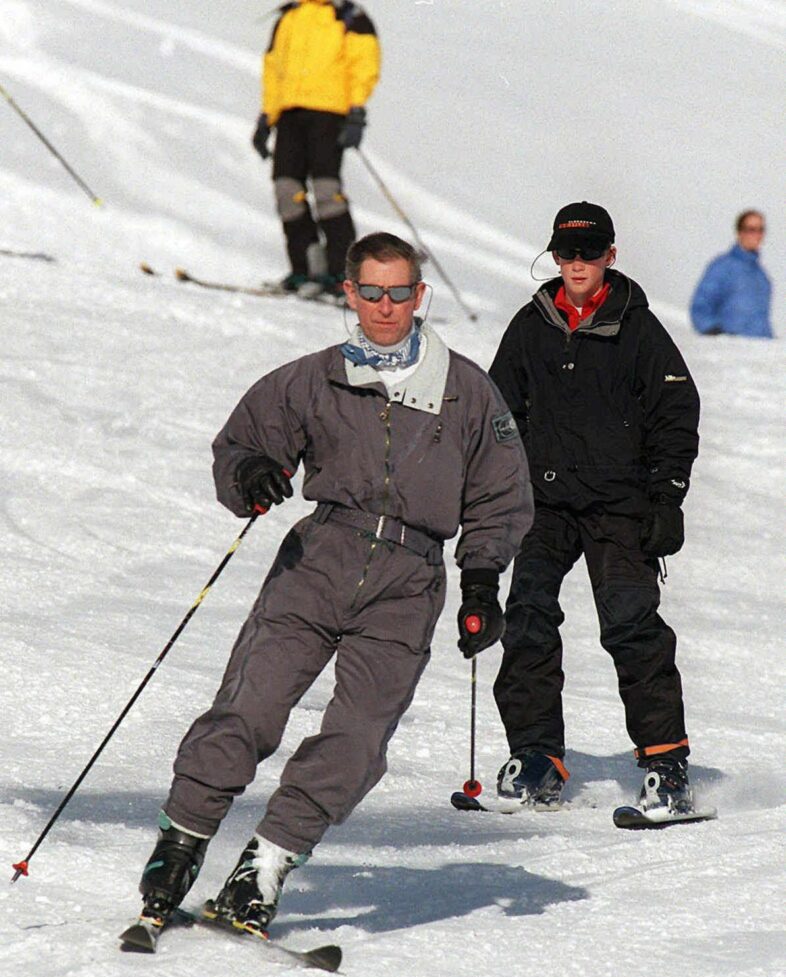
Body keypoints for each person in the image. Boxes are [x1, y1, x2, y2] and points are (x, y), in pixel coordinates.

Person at [134, 232, 533, 936]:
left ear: (420, 295)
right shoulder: (315, 377)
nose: (385, 306)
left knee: (357, 740)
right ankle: (183, 839)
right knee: (251, 708)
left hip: (409, 581)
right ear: (349, 294)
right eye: (371, 292)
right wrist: (252, 475)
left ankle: (267, 865)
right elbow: (244, 442)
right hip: (319, 557)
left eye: (399, 292)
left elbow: (501, 495)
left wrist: (480, 585)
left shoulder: (466, 391)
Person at [488, 201, 701, 816]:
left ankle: (666, 764)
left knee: (632, 627)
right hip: (544, 504)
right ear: (553, 256)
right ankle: (535, 759)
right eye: (566, 253)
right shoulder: (530, 326)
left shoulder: (638, 329)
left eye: (589, 252)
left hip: (619, 506)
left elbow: (675, 416)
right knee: (527, 617)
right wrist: (495, 488)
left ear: (611, 254)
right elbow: (499, 414)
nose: (576, 264)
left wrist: (668, 497)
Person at [252, 1, 381, 299]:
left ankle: (341, 275)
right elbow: (273, 69)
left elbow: (365, 63)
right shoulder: (289, 16)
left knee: (326, 192)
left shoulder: (350, 16)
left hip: (329, 113)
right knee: (287, 192)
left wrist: (357, 110)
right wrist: (266, 118)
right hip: (289, 115)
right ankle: (305, 270)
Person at [690, 209, 773, 338]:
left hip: (759, 350)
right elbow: (701, 306)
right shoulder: (722, 267)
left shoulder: (761, 276)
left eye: (761, 229)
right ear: (740, 232)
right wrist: (714, 332)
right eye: (751, 229)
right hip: (731, 350)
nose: (757, 235)